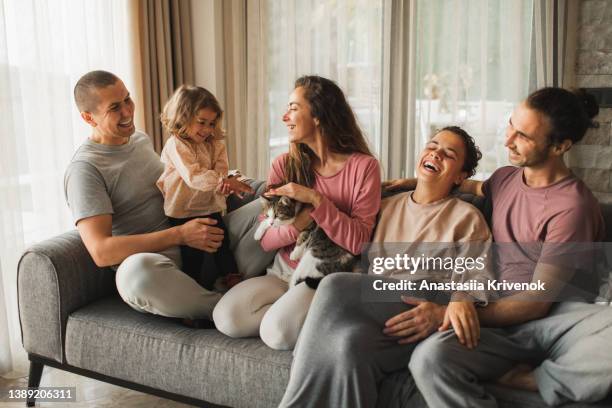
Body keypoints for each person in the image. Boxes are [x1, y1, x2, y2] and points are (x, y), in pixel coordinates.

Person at [390, 87, 611, 407]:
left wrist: (445, 311)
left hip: (554, 321)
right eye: (511, 125)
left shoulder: (572, 206)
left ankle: (537, 379)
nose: (508, 140)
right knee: (429, 358)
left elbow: (537, 303)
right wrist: (410, 183)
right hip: (499, 317)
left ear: (560, 146)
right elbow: (468, 184)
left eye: (523, 136)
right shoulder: (506, 178)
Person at [279, 126, 493, 407]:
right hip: (373, 312)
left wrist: (443, 308)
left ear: (461, 176)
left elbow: (476, 284)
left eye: (448, 154)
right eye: (432, 145)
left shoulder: (467, 217)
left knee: (334, 285)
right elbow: (350, 237)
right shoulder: (386, 206)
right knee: (348, 346)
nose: (436, 154)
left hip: (418, 308)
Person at [63, 70, 253, 322]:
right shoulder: (85, 169)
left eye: (128, 99)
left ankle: (230, 291)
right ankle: (225, 308)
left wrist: (225, 182)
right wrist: (180, 235)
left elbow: (179, 184)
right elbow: (101, 252)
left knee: (264, 209)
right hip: (158, 266)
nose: (128, 112)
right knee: (135, 273)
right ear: (89, 117)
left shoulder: (139, 140)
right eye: (115, 108)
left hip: (199, 239)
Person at [212, 75, 382, 351]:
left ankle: (304, 315)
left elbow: (358, 242)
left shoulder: (364, 168)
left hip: (325, 276)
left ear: (317, 115)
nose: (284, 116)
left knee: (277, 334)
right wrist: (300, 223)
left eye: (293, 107)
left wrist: (316, 199)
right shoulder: (284, 165)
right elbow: (266, 239)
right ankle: (315, 320)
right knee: (226, 318)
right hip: (281, 271)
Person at [156, 85, 252, 291]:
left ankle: (232, 280)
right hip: (183, 209)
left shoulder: (215, 143)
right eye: (201, 122)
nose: (207, 129)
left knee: (222, 243)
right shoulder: (176, 144)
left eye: (212, 123)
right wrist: (221, 181)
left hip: (209, 205)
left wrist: (227, 182)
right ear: (183, 116)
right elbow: (193, 176)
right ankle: (191, 296)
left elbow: (222, 170)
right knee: (192, 257)